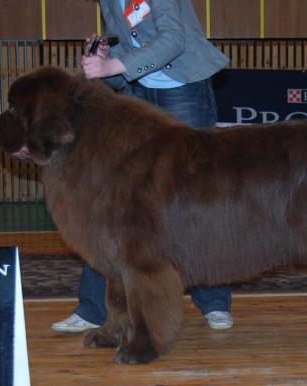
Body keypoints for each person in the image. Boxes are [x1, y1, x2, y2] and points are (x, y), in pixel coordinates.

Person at [52, 0, 234, 333]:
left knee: (199, 196)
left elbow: (174, 39)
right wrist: (105, 59)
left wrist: (112, 66)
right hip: (139, 93)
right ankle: (94, 309)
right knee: (114, 201)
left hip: (184, 91)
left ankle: (214, 301)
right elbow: (125, 70)